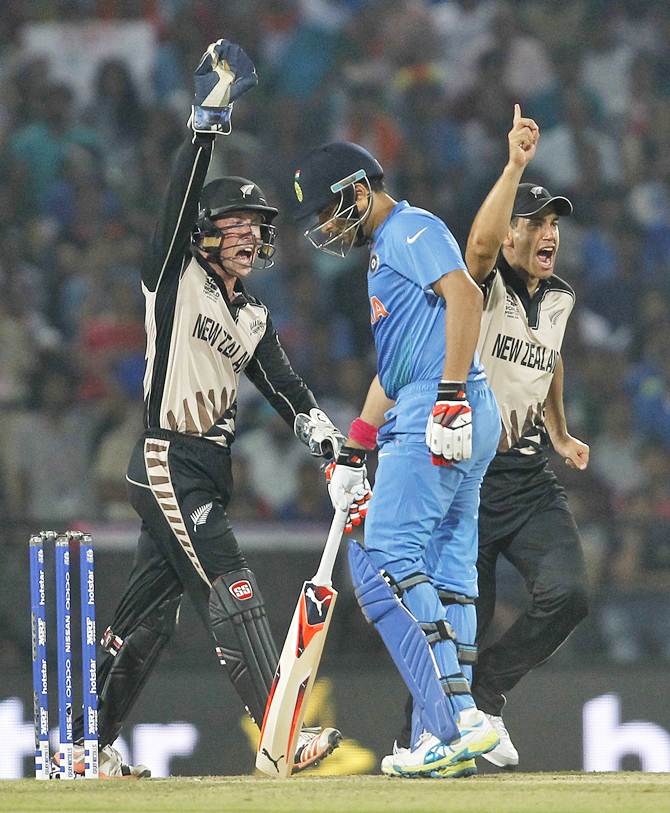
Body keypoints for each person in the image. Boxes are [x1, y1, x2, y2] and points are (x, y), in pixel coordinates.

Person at [59, 39, 343, 779]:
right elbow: (177, 201)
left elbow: (288, 390)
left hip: (204, 471)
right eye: (239, 221)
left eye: (259, 224)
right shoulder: (173, 276)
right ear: (207, 232)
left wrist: (328, 443)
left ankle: (79, 743)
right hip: (165, 457)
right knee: (231, 579)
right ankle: (279, 733)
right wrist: (205, 124)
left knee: (147, 618)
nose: (253, 233)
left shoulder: (249, 315)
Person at [291, 140, 501, 778]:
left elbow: (468, 297)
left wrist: (446, 397)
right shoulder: (386, 251)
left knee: (382, 558)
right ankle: (448, 738)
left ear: (360, 191)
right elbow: (394, 365)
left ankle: (457, 721)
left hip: (437, 412)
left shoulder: (409, 229)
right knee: (447, 571)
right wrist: (357, 444)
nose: (327, 230)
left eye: (330, 212)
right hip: (452, 409)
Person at [397, 105, 589, 768]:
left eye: (554, 222)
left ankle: (485, 692)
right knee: (450, 621)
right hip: (468, 478)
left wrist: (561, 432)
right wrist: (514, 166)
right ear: (511, 233)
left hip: (530, 478)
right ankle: (418, 735)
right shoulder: (482, 285)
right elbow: (476, 247)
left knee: (570, 593)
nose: (548, 233)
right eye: (535, 221)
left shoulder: (559, 297)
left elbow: (552, 355)